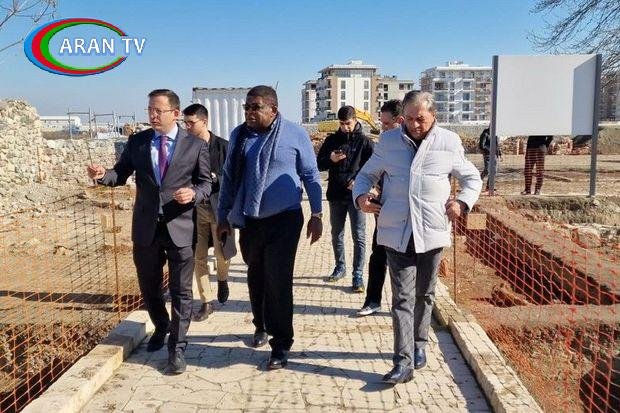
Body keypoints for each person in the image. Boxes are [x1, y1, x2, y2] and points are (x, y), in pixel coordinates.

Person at [353, 91, 482, 384]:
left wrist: (462, 203)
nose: (413, 125)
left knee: (425, 293)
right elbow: (365, 175)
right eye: (408, 119)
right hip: (396, 231)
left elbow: (472, 178)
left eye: (420, 119)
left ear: (433, 115)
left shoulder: (448, 142)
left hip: (432, 231)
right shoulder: (388, 141)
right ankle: (403, 362)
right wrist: (361, 197)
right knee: (402, 298)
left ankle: (419, 344)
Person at [87, 89, 211, 375]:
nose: (152, 115)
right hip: (146, 229)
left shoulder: (195, 145)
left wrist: (193, 193)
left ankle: (177, 348)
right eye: (150, 110)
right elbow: (119, 174)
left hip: (180, 227)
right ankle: (161, 325)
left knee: (181, 292)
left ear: (175, 113)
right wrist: (102, 175)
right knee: (149, 287)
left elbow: (206, 184)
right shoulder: (138, 142)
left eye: (158, 111)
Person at [216, 85, 323, 370]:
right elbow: (229, 178)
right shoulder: (239, 136)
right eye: (247, 107)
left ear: (273, 109)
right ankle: (260, 325)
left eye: (256, 107)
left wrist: (317, 213)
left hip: (285, 219)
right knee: (256, 276)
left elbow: (311, 174)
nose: (249, 112)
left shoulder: (294, 134)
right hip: (250, 220)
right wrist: (223, 216)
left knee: (278, 280)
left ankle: (281, 343)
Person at [182, 103, 232, 322]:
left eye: (191, 123)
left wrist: (214, 178)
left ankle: (222, 279)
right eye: (185, 123)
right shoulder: (185, 147)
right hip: (195, 210)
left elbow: (233, 178)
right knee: (198, 257)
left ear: (204, 122)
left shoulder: (223, 147)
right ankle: (206, 302)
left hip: (219, 209)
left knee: (222, 254)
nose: (187, 127)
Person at [317, 105, 374, 293]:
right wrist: (330, 159)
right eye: (341, 124)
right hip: (335, 195)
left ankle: (358, 275)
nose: (344, 127)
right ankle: (340, 267)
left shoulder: (365, 142)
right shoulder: (332, 140)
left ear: (355, 120)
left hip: (357, 197)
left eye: (347, 123)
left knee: (359, 236)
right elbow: (319, 164)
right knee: (337, 233)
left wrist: (359, 181)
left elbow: (374, 169)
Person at [358, 99, 403, 316]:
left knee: (404, 263)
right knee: (378, 256)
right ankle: (373, 301)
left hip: (410, 215)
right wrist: (369, 192)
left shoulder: (418, 145)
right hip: (384, 210)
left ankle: (405, 307)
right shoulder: (384, 144)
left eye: (386, 124)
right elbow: (371, 172)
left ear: (399, 121)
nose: (382, 129)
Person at [478, 126, 502, 192]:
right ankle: (476, 183)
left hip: (495, 155)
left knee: (494, 171)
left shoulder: (495, 134)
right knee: (487, 170)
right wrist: (489, 150)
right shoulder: (485, 134)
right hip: (488, 154)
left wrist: (499, 153)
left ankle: (489, 187)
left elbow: (497, 145)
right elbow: (481, 146)